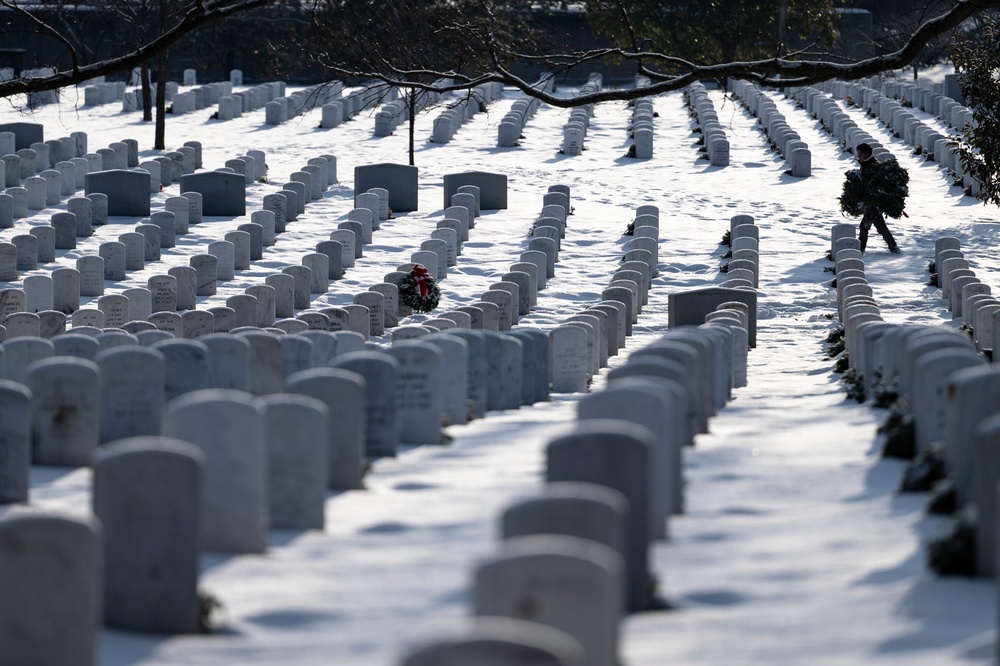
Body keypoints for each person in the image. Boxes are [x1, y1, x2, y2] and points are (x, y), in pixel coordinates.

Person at [856, 143, 901, 254]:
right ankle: (893, 246)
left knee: (864, 226)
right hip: (870, 202)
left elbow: (871, 185)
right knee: (880, 226)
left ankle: (860, 250)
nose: (858, 156)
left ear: (866, 154)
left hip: (872, 201)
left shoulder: (871, 166)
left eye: (860, 153)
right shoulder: (867, 164)